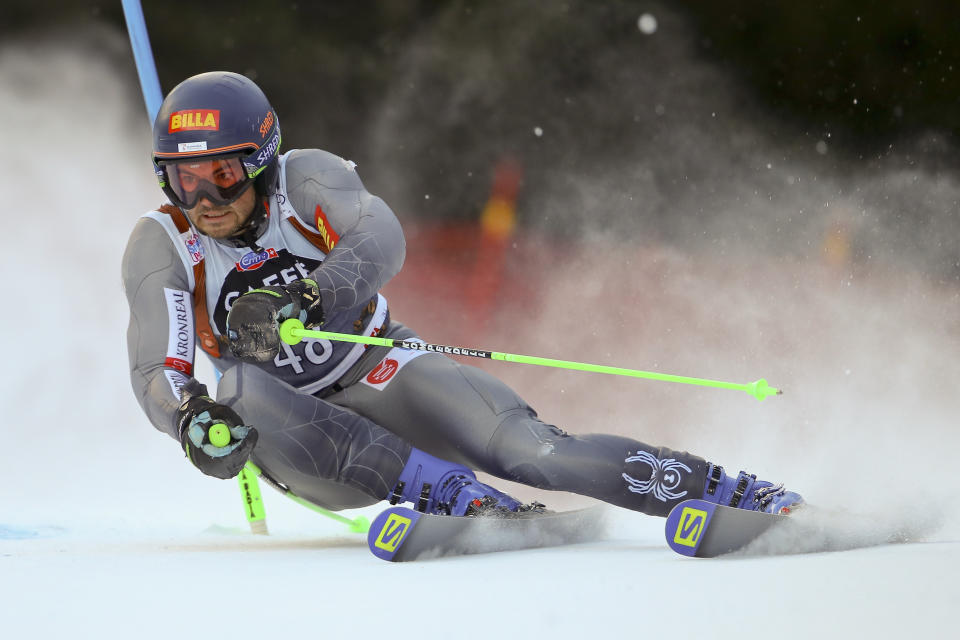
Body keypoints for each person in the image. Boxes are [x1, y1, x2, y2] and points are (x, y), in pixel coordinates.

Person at [122, 71, 802, 523]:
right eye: (184, 181)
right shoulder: (164, 245)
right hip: (307, 440)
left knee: (535, 451)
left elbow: (379, 236)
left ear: (265, 162)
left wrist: (312, 295)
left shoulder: (306, 182)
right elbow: (160, 368)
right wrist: (192, 421)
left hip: (386, 368)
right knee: (239, 386)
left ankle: (723, 490)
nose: (205, 200)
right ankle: (454, 497)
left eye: (223, 174)